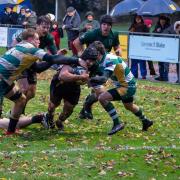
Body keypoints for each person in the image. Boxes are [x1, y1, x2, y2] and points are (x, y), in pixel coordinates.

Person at [0, 28, 86, 135]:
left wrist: (55, 57)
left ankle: (10, 132)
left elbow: (37, 68)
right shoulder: (30, 49)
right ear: (30, 39)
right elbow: (51, 59)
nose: (39, 42)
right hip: (1, 80)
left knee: (21, 100)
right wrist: (77, 60)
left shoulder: (21, 47)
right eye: (37, 39)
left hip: (5, 81)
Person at [82, 41, 153, 135]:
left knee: (102, 98)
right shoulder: (102, 59)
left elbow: (103, 79)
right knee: (129, 106)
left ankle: (117, 123)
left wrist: (88, 79)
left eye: (92, 52)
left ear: (98, 53)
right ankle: (146, 121)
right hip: (126, 85)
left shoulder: (110, 59)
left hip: (127, 87)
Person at [74, 14, 122, 120]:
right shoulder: (92, 33)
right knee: (99, 91)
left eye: (108, 25)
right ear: (100, 25)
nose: (106, 27)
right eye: (104, 24)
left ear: (111, 26)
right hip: (92, 65)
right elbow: (76, 42)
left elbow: (117, 46)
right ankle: (86, 108)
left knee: (97, 90)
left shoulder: (114, 34)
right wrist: (81, 55)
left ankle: (85, 110)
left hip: (104, 65)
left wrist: (119, 50)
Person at [43, 64, 89, 129]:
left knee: (69, 108)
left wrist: (84, 80)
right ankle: (49, 116)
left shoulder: (88, 64)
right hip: (59, 83)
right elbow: (62, 75)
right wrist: (79, 77)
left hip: (73, 87)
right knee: (53, 105)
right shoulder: (68, 60)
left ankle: (59, 121)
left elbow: (86, 79)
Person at [129, 15, 149, 79]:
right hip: (134, 47)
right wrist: (131, 31)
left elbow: (147, 35)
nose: (138, 19)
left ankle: (143, 75)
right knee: (134, 61)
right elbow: (129, 33)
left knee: (142, 61)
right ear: (135, 18)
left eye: (139, 18)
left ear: (141, 18)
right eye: (136, 18)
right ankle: (134, 74)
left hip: (142, 47)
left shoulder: (144, 26)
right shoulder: (132, 26)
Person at [153, 15, 171, 81]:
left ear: (166, 21)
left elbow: (172, 35)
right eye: (161, 20)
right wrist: (157, 31)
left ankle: (165, 77)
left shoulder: (169, 27)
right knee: (160, 63)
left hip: (167, 48)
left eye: (163, 20)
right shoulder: (157, 26)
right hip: (159, 48)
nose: (162, 21)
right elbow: (153, 34)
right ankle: (161, 76)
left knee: (166, 63)